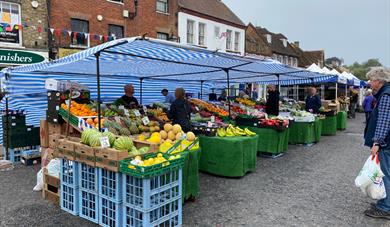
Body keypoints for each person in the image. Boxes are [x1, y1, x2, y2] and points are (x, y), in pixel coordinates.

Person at [363, 67, 390, 219]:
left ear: (379, 81)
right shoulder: (386, 93)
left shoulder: (386, 95)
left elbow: (384, 122)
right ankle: (385, 202)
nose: (370, 83)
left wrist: (377, 143)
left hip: (387, 143)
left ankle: (385, 207)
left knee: (385, 174)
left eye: (372, 80)